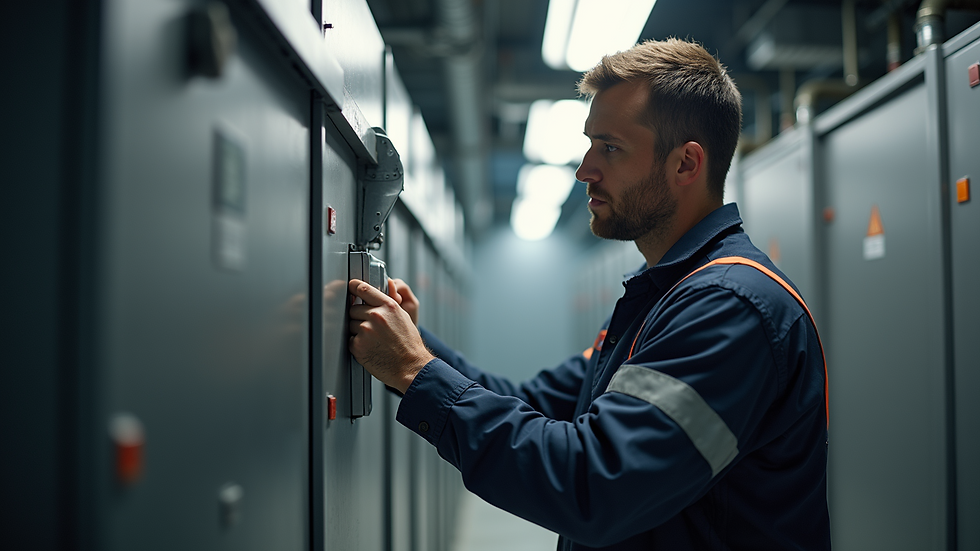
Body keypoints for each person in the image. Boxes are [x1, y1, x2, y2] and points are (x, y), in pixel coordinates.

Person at [349, 38, 830, 550]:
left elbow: (596, 485)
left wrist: (415, 371)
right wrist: (412, 348)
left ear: (686, 164)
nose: (585, 170)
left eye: (611, 148)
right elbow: (532, 402)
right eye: (590, 144)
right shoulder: (666, 296)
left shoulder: (728, 309)